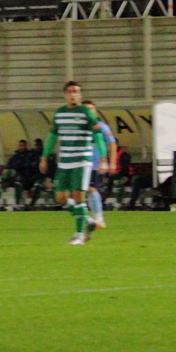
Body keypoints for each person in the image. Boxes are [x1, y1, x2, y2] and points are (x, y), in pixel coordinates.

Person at [40, 82, 108, 245]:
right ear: (65, 94)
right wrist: (44, 156)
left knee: (78, 196)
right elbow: (52, 137)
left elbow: (98, 135)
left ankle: (79, 236)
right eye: (70, 92)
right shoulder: (59, 113)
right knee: (60, 198)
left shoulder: (86, 112)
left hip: (82, 160)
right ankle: (87, 220)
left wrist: (103, 158)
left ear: (80, 95)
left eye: (76, 92)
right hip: (64, 161)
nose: (73, 94)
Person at [82, 99, 118, 230]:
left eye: (91, 109)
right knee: (82, 191)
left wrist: (112, 162)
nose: (89, 111)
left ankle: (99, 219)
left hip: (95, 165)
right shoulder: (79, 127)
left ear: (95, 111)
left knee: (91, 188)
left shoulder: (101, 127)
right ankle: (92, 218)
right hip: (80, 164)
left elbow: (112, 144)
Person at [0, 140, 35, 209]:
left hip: (23, 178)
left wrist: (17, 172)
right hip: (12, 178)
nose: (21, 147)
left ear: (26, 146)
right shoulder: (15, 156)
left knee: (17, 182)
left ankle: (17, 206)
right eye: (20, 145)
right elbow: (8, 165)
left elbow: (28, 169)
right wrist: (5, 170)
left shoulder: (29, 157)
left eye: (23, 145)